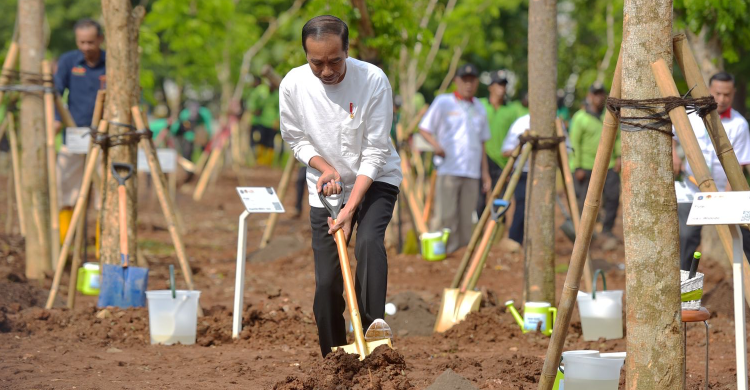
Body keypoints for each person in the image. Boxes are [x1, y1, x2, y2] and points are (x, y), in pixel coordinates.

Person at [279, 15, 402, 357]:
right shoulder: (292, 85)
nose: (326, 70)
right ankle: (333, 356)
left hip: (375, 179)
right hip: (325, 187)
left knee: (367, 243)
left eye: (335, 60)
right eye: (316, 62)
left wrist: (350, 209)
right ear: (305, 55)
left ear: (347, 50)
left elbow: (377, 150)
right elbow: (296, 139)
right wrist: (324, 168)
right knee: (328, 280)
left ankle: (372, 332)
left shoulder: (373, 80)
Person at [673, 71, 750, 270]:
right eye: (717, 93)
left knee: (745, 237)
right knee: (686, 237)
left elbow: (740, 165)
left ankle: (746, 292)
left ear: (733, 94)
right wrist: (674, 157)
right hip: (690, 189)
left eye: (727, 95)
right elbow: (670, 136)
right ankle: (684, 290)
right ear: (709, 90)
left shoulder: (739, 124)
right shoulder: (688, 114)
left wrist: (727, 199)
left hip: (726, 191)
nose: (722, 99)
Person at [419, 64, 491, 254]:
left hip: (472, 171)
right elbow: (424, 128)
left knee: (466, 218)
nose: (468, 84)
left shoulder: (480, 108)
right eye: (464, 80)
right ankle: (439, 254)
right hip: (449, 169)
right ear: (456, 81)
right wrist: (437, 146)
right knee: (445, 216)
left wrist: (485, 174)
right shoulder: (444, 102)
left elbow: (482, 143)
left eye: (472, 80)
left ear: (476, 83)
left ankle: (460, 255)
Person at [53, 18, 106, 245]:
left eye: (90, 42)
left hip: (105, 138)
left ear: (100, 40)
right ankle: (65, 244)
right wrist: (55, 121)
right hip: (73, 136)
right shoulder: (68, 62)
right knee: (65, 189)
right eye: (81, 42)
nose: (86, 47)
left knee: (104, 196)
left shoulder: (111, 63)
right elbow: (54, 94)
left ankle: (102, 250)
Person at [569, 82, 621, 250]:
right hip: (586, 167)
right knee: (586, 202)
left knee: (613, 197)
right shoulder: (580, 117)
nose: (598, 97)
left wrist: (619, 156)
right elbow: (574, 143)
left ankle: (607, 230)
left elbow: (619, 137)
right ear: (589, 96)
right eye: (595, 94)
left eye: (601, 94)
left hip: (610, 165)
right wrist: (576, 167)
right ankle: (584, 234)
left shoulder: (611, 115)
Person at [476, 70, 521, 216]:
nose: (501, 88)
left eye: (504, 85)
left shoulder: (511, 111)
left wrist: (512, 165)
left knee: (499, 202)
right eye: (498, 84)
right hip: (482, 159)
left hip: (503, 162)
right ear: (490, 87)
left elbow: (516, 138)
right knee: (479, 202)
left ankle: (495, 235)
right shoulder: (480, 106)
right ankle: (479, 234)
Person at [501, 114, 530, 245]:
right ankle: (515, 240)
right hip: (522, 172)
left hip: (544, 174)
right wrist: (523, 150)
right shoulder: (521, 123)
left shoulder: (556, 122)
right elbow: (505, 151)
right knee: (521, 206)